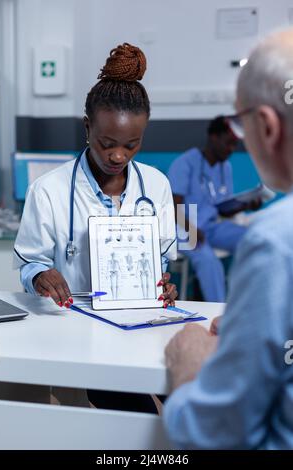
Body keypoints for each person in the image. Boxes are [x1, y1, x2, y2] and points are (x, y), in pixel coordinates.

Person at [14, 43, 178, 412]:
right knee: (135, 412)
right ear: (87, 128)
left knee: (187, 394)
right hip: (79, 332)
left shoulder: (156, 186)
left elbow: (162, 262)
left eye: (131, 145)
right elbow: (31, 263)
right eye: (107, 144)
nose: (118, 156)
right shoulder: (49, 190)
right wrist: (41, 275)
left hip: (143, 329)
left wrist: (164, 284)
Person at [163, 28, 293, 449]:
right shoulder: (188, 162)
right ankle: (219, 308)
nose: (235, 146)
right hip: (191, 225)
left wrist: (188, 360)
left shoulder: (274, 242)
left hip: (216, 221)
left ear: (267, 128)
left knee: (240, 240)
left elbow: (217, 430)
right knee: (202, 255)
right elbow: (179, 202)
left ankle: (225, 313)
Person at [168, 116, 260, 302]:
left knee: (253, 238)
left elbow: (223, 209)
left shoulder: (225, 167)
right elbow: (171, 205)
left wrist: (246, 205)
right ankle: (219, 315)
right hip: (183, 228)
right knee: (210, 262)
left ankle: (254, 302)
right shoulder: (185, 163)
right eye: (228, 143)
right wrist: (191, 228)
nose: (231, 150)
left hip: (210, 227)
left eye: (235, 145)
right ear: (213, 137)